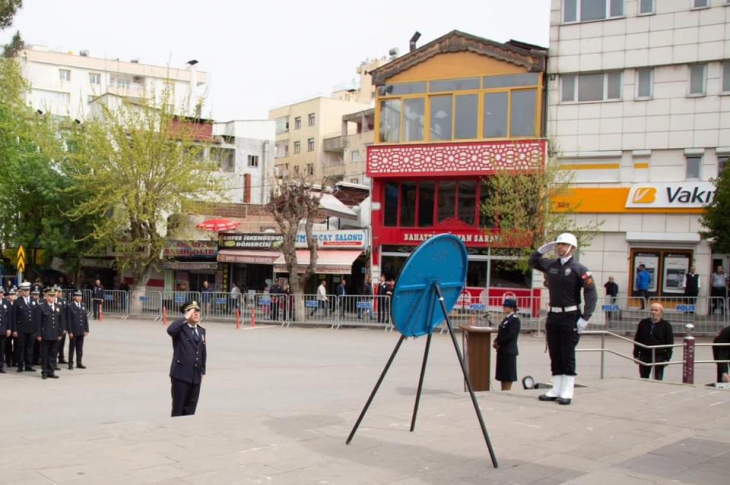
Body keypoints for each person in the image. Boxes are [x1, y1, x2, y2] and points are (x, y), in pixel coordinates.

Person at [528, 232, 597, 405]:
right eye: (558, 244)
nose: (560, 247)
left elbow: (591, 293)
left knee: (567, 353)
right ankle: (556, 388)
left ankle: (567, 390)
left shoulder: (580, 269)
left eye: (564, 245)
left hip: (570, 315)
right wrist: (540, 250)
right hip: (554, 315)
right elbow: (532, 262)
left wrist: (585, 317)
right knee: (555, 352)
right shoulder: (551, 265)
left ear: (572, 248)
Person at [168, 300, 207, 417]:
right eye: (192, 311)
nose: (196, 313)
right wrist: (185, 317)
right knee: (178, 408)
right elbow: (170, 330)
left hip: (195, 376)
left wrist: (203, 371)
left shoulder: (201, 330)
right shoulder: (180, 329)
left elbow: (203, 352)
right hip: (181, 375)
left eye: (198, 311)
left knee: (191, 409)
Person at [633, 303, 674, 380]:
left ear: (661, 312)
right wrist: (636, 355)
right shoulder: (643, 323)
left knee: (657, 378)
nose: (653, 312)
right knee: (644, 377)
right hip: (644, 354)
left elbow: (670, 342)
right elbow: (637, 339)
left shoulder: (666, 325)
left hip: (659, 355)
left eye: (656, 310)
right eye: (652, 310)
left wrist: (667, 358)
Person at [34, 287, 64, 380]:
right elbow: (38, 322)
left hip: (55, 334)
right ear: (46, 296)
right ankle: (45, 372)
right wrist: (38, 334)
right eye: (50, 296)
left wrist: (60, 333)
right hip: (45, 334)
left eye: (53, 295)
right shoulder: (41, 307)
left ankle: (51, 371)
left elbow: (61, 322)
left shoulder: (59, 306)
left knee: (53, 354)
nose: (53, 297)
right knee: (44, 354)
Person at [493, 299, 521, 391]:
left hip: (509, 350)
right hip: (502, 350)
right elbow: (501, 331)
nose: (504, 308)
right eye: (504, 306)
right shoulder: (507, 318)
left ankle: (507, 390)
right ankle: (503, 390)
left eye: (506, 306)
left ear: (512, 308)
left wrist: (500, 342)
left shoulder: (514, 320)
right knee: (503, 374)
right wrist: (496, 340)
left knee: (508, 375)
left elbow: (511, 335)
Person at [13, 282, 37, 373]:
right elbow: (14, 316)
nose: (27, 292)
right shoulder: (17, 301)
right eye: (25, 290)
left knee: (30, 348)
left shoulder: (33, 300)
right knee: (21, 348)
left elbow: (36, 316)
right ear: (21, 291)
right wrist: (14, 329)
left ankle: (28, 365)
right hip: (21, 328)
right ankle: (20, 365)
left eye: (28, 290)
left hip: (31, 328)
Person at [66, 289, 89, 370]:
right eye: (77, 296)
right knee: (72, 348)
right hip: (74, 331)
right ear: (74, 297)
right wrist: (70, 331)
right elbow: (68, 320)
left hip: (81, 330)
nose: (79, 298)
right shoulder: (70, 306)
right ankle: (70, 363)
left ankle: (79, 363)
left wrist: (86, 329)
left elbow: (85, 318)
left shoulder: (83, 305)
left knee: (80, 348)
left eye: (80, 296)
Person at [0, 289, 10, 374]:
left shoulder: (6, 303)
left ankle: (1, 366)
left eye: (1, 293)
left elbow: (9, 317)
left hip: (3, 329)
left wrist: (9, 328)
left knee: (2, 349)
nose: (0, 294)